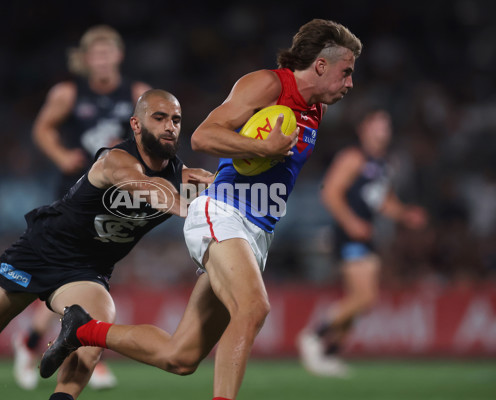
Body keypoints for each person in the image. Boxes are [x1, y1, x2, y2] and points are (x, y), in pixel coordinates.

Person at [39, 19, 362, 400]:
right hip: (222, 212)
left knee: (181, 356)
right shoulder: (268, 84)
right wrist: (263, 148)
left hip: (257, 229)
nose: (350, 83)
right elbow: (204, 135)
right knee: (253, 308)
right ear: (321, 66)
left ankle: (81, 330)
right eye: (346, 72)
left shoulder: (314, 109)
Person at [0, 89, 213, 400]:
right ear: (136, 125)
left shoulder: (185, 178)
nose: (170, 126)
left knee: (90, 338)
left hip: (86, 271)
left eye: (176, 120)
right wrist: (190, 207)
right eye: (160, 117)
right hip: (39, 252)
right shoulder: (115, 160)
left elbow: (223, 186)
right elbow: (144, 186)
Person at [13, 24, 151, 390]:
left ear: (118, 56)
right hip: (74, 194)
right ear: (87, 60)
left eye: (109, 53)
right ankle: (73, 344)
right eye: (97, 54)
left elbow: (148, 136)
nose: (103, 60)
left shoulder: (137, 94)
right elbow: (43, 128)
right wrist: (61, 155)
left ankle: (45, 341)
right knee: (79, 272)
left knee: (91, 273)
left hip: (113, 198)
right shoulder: (68, 92)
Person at [298, 108, 428, 377]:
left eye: (387, 123)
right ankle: (313, 336)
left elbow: (382, 201)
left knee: (359, 299)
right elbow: (331, 193)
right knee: (365, 298)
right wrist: (350, 223)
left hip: (365, 235)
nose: (385, 129)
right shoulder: (353, 157)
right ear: (364, 129)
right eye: (379, 123)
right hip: (348, 235)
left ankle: (328, 354)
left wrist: (404, 214)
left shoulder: (383, 164)